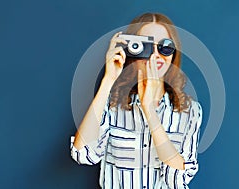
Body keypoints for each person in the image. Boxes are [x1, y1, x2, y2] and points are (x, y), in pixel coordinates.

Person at [70, 12, 203, 189]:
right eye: (147, 46)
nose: (156, 55)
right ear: (132, 50)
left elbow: (178, 179)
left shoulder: (190, 111)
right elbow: (84, 154)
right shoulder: (113, 103)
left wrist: (150, 112)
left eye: (165, 46)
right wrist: (108, 80)